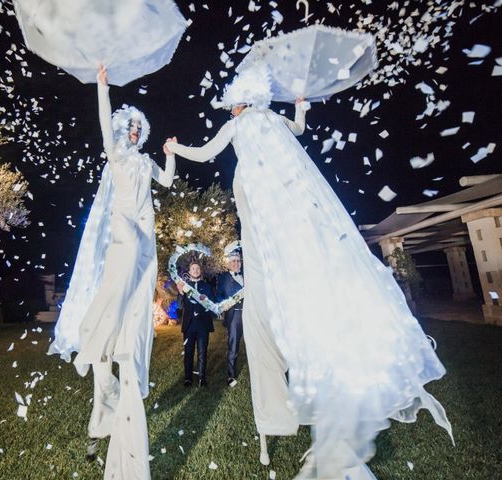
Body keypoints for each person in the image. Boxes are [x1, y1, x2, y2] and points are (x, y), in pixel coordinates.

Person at [165, 66, 452, 479]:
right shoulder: (274, 123)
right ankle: (299, 412)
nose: (231, 111)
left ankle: (281, 422)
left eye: (232, 106)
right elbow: (298, 131)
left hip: (265, 251)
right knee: (289, 325)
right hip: (283, 241)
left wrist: (175, 148)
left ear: (242, 104)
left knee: (267, 335)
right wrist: (300, 109)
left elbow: (206, 151)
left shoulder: (242, 126)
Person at [48, 65, 175, 480]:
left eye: (140, 127)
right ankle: (96, 332)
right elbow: (104, 123)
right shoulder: (117, 155)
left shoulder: (145, 163)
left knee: (139, 281)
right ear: (124, 130)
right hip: (123, 226)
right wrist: (102, 87)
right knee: (128, 255)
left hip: (145, 230)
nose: (135, 131)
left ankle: (117, 343)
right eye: (131, 126)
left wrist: (171, 156)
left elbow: (169, 182)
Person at [176, 261, 215, 387]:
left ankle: (202, 378)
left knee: (202, 352)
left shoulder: (207, 286)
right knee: (188, 352)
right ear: (189, 271)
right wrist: (181, 293)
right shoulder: (185, 286)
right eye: (193, 268)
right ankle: (188, 378)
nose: (195, 270)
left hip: (203, 324)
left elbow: (213, 305)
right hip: (189, 325)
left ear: (200, 270)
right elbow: (180, 305)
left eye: (197, 268)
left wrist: (206, 303)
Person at [216, 251, 244, 384]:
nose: (236, 263)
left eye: (238, 261)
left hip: (250, 313)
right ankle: (231, 375)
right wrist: (223, 304)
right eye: (234, 261)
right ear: (229, 264)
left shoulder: (247, 275)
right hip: (234, 316)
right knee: (233, 346)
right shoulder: (223, 278)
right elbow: (219, 296)